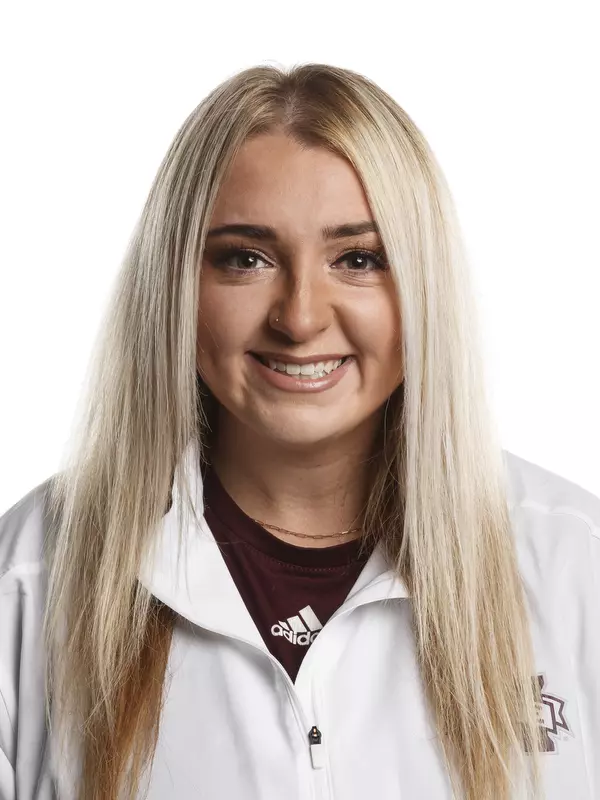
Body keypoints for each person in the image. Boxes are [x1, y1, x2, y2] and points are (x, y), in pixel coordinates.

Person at [0, 63, 599, 800]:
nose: (301, 317)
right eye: (245, 258)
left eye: (358, 259)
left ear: (423, 284)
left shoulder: (578, 569)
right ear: (178, 285)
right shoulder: (29, 579)